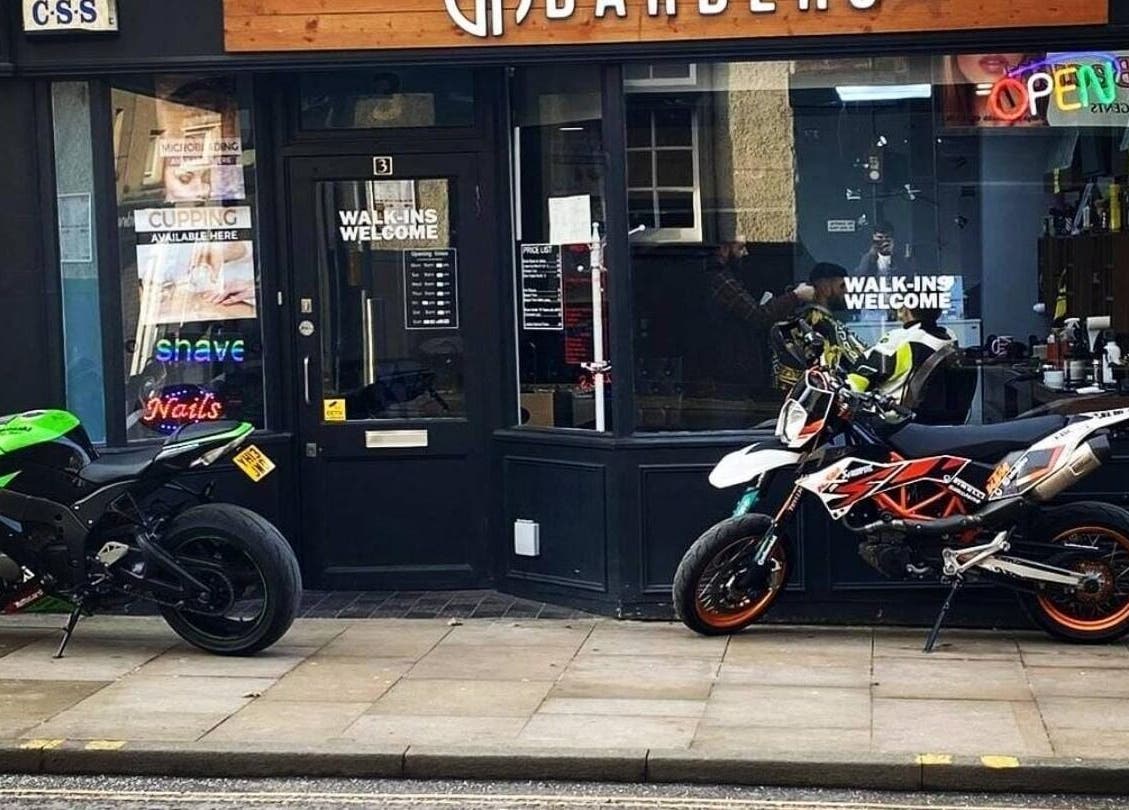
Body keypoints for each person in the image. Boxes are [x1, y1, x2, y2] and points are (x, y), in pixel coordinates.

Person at [703, 236, 815, 395]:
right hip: (729, 372)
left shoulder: (723, 277)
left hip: (734, 369)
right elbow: (757, 316)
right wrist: (796, 296)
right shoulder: (720, 280)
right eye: (740, 248)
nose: (746, 253)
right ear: (724, 249)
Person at [773, 262, 866, 393]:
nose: (847, 291)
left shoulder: (819, 322)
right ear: (824, 287)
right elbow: (862, 361)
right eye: (842, 286)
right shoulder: (816, 324)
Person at [847, 306, 956, 406]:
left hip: (893, 420)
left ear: (904, 309)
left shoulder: (901, 339)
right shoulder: (950, 337)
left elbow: (859, 377)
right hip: (936, 416)